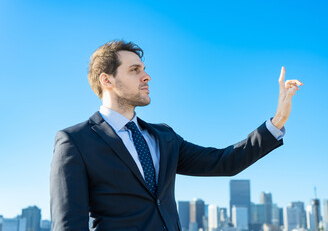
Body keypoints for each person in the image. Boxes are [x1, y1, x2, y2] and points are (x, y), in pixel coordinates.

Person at [50, 40, 302, 231]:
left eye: (144, 69)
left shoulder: (163, 136)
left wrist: (277, 120)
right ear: (107, 80)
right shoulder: (75, 141)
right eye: (134, 70)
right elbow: (68, 225)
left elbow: (224, 161)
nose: (146, 76)